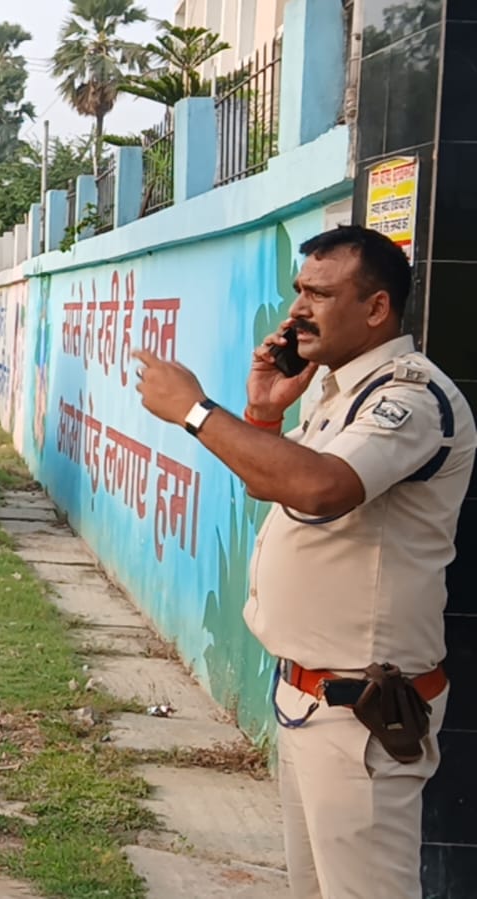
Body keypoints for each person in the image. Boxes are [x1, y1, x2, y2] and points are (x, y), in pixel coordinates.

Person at [133, 225, 475, 899]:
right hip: (311, 698)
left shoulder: (406, 398)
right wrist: (260, 415)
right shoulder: (336, 392)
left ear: (375, 308)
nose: (297, 310)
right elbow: (279, 482)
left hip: (364, 711)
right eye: (297, 291)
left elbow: (323, 486)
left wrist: (196, 411)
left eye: (319, 293)